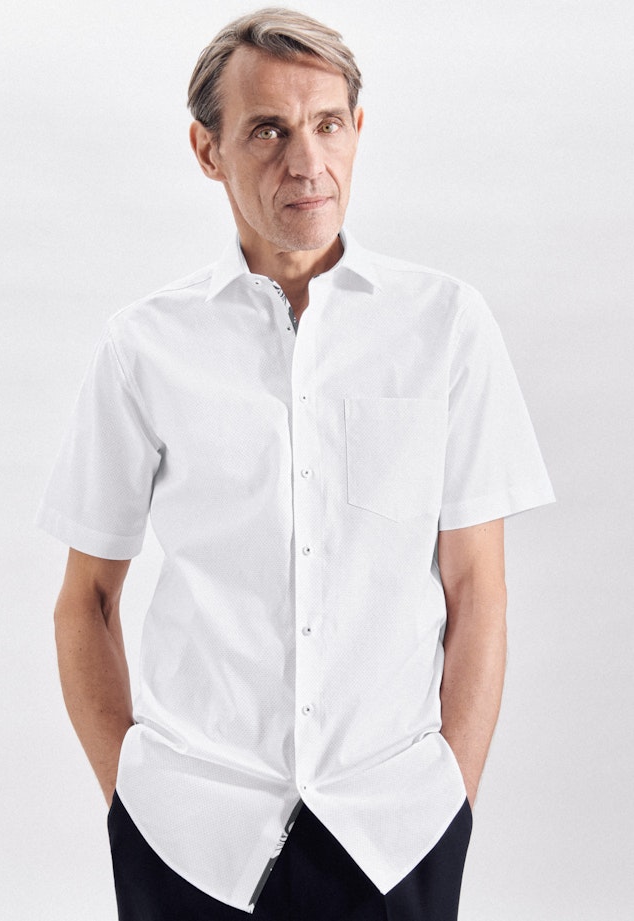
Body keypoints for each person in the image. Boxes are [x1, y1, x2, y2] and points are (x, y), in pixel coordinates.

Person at [36, 7, 555, 920]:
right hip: (188, 834)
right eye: (268, 130)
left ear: (358, 130)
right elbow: (87, 600)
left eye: (327, 125)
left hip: (395, 828)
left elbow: (479, 589)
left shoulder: (446, 326)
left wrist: (453, 801)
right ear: (207, 150)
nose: (307, 162)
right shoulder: (143, 347)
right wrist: (131, 802)